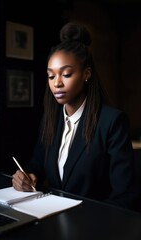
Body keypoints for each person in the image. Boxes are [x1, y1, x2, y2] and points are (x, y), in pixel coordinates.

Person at [12, 22, 137, 209]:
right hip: (51, 218)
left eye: (66, 74)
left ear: (86, 74)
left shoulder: (111, 122)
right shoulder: (51, 119)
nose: (57, 84)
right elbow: (36, 164)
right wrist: (26, 176)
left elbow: (125, 196)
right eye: (51, 76)